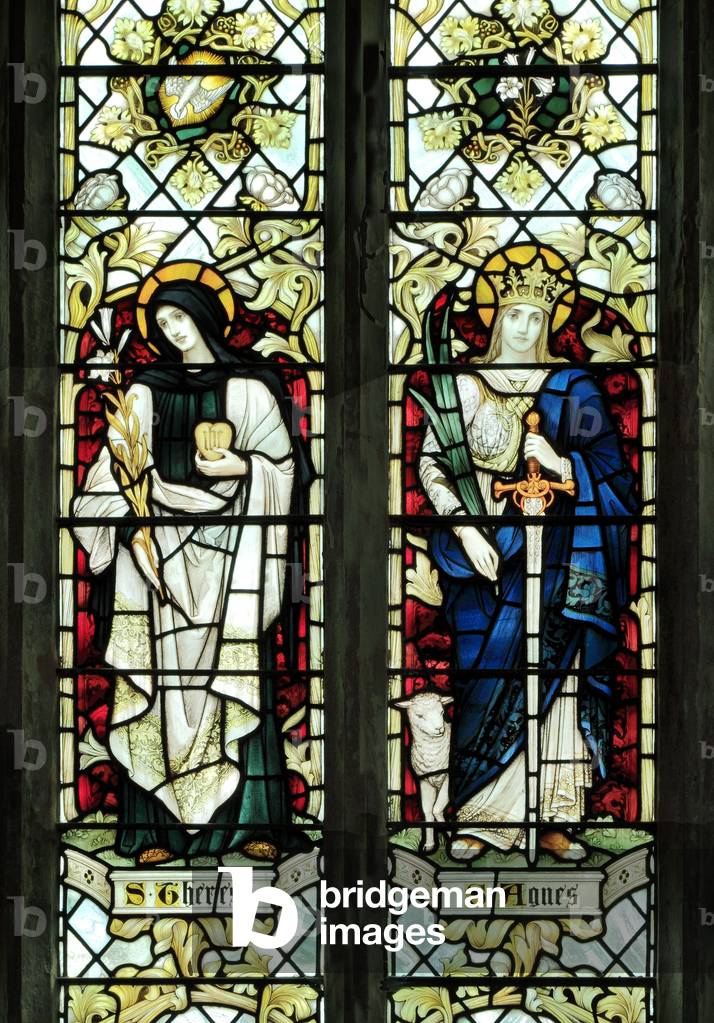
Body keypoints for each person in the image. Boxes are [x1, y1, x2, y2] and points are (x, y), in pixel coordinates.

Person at [73, 262, 311, 863]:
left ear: (207, 319)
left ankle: (254, 824)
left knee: (237, 683)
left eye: (182, 317)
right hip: (155, 566)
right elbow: (108, 477)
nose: (174, 330)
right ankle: (157, 832)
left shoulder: (250, 390)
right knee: (153, 690)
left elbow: (283, 472)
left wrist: (242, 469)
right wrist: (129, 515)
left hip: (234, 561)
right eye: (163, 321)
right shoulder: (144, 391)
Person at [417, 245, 638, 862]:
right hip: (479, 555)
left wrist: (566, 465)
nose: (524, 327)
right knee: (483, 676)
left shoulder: (574, 386)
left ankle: (554, 818)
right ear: (495, 318)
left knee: (558, 685)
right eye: (513, 314)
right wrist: (464, 526)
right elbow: (432, 464)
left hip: (563, 553)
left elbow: (613, 477)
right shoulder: (459, 384)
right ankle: (480, 814)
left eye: (535, 318)